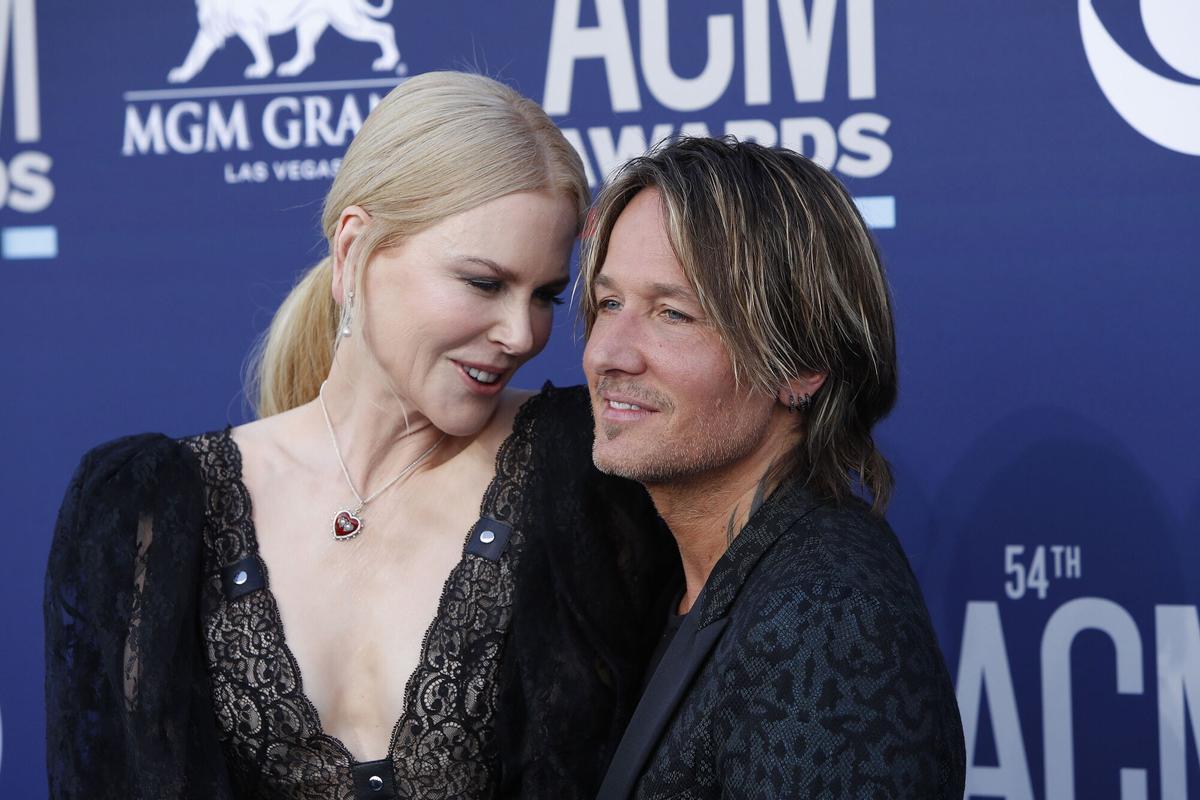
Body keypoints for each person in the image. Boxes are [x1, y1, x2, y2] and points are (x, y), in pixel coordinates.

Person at [44, 72, 676, 800]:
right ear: (354, 249)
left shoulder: (589, 471)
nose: (520, 334)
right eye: (481, 282)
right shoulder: (150, 509)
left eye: (544, 296)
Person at [579, 137, 966, 799]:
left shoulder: (827, 624)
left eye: (673, 313)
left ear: (800, 365)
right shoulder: (701, 574)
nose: (608, 353)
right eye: (610, 303)